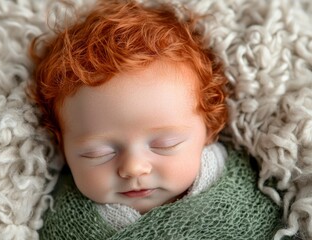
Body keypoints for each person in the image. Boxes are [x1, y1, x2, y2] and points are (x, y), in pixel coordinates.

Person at [29, 0, 283, 239]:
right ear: (62, 145)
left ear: (209, 129)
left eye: (165, 143)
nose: (134, 167)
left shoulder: (242, 198)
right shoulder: (60, 218)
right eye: (98, 153)